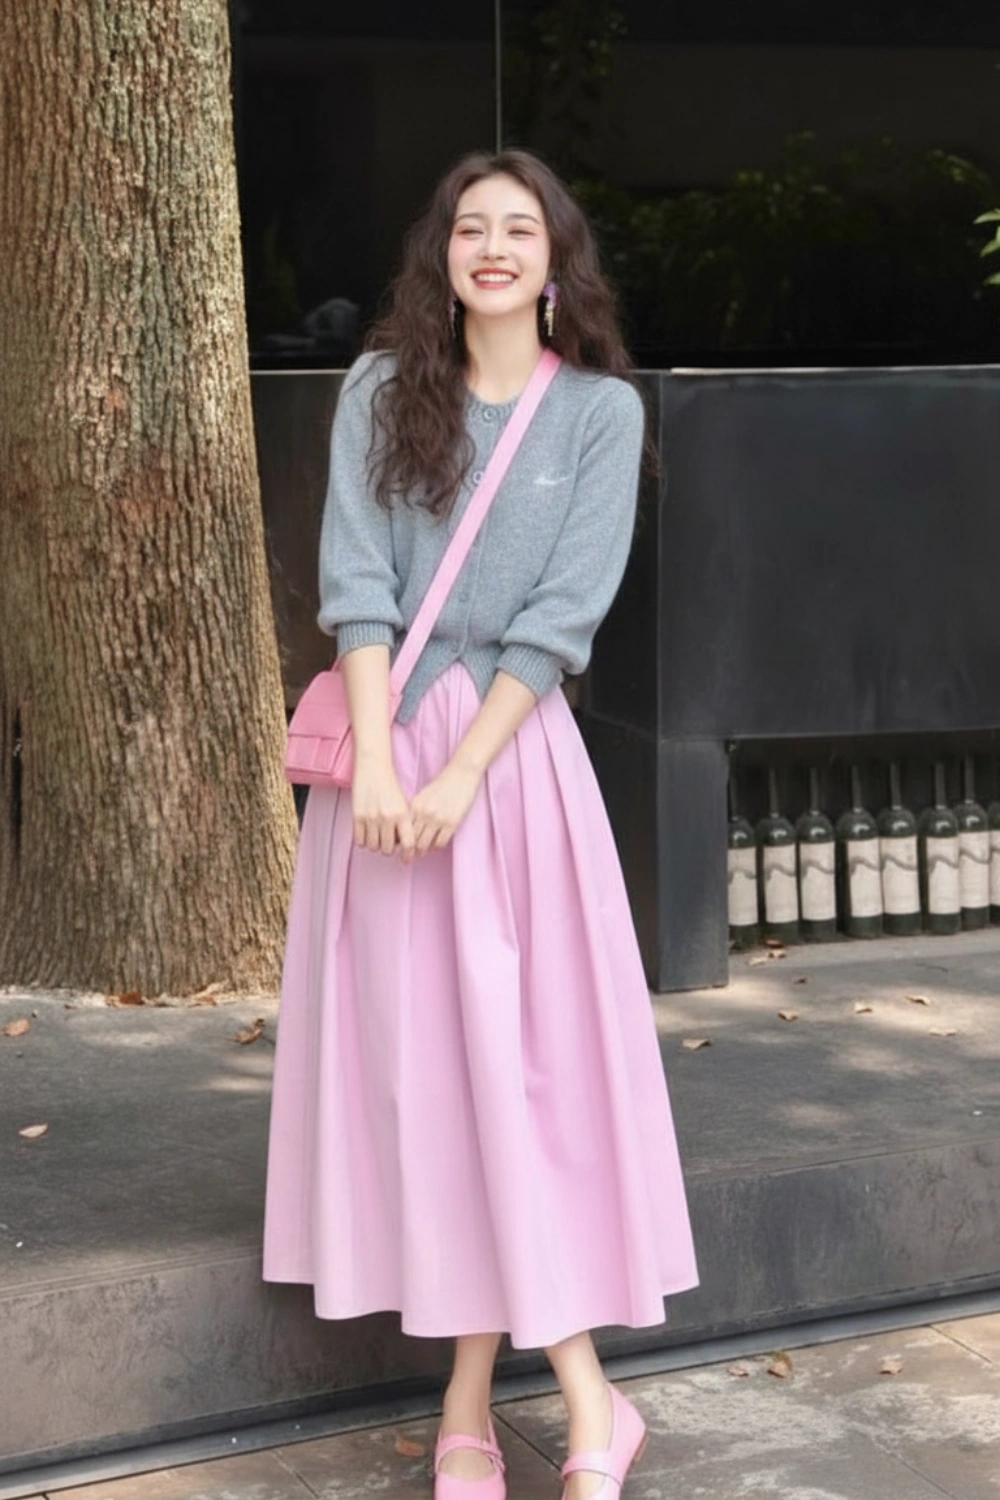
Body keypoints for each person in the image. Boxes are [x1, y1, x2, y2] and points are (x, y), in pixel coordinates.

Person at [262, 148, 699, 1500]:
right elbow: (357, 583)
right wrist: (387, 766)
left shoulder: (600, 418)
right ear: (441, 257)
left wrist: (458, 778)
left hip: (512, 776)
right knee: (433, 1085)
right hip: (386, 774)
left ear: (558, 263)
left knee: (515, 1079)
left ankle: (527, 1403)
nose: (493, 248)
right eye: (471, 228)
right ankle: (511, 1403)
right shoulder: (385, 389)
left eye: (521, 229)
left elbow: (562, 621)